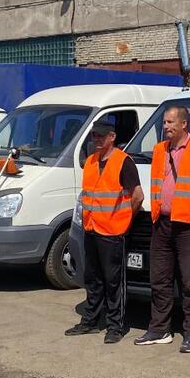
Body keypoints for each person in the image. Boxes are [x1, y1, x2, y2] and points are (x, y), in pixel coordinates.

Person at [135, 106, 190, 353]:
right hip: (161, 222)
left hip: (188, 225)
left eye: (171, 122)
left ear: (184, 124)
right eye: (164, 122)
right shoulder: (159, 150)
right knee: (159, 279)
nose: (166, 126)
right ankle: (159, 329)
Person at [66, 117, 143, 344]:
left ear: (112, 137)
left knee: (113, 281)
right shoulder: (90, 161)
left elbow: (137, 195)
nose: (96, 139)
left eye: (101, 135)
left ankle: (115, 327)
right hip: (91, 228)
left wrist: (125, 221)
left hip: (113, 232)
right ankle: (89, 322)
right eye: (94, 135)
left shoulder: (123, 162)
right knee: (93, 279)